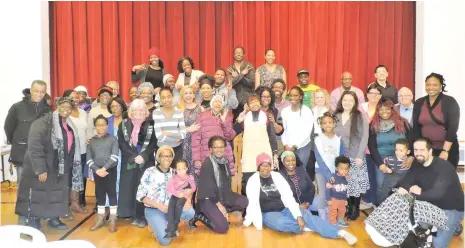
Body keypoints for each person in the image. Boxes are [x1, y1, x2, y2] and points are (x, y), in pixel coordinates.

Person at [244, 153, 357, 245]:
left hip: (285, 208)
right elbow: (252, 203)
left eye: (268, 165)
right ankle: (305, 227)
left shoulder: (277, 177)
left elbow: (288, 197)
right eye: (262, 165)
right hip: (268, 213)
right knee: (281, 223)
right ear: (258, 166)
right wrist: (246, 222)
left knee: (308, 216)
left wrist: (298, 216)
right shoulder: (252, 181)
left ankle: (340, 232)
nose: (265, 168)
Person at [15, 97, 83, 231]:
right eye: (63, 107)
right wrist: (40, 169)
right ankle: (34, 219)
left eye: (69, 108)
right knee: (37, 194)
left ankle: (54, 218)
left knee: (55, 194)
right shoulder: (42, 123)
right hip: (42, 167)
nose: (66, 110)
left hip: (59, 166)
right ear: (57, 107)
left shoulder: (69, 125)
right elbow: (35, 147)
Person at [397, 138, 464, 248]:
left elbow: (437, 194)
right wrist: (408, 188)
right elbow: (404, 182)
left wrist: (417, 192)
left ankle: (455, 225)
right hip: (430, 204)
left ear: (430, 151)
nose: (418, 153)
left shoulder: (444, 167)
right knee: (415, 227)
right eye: (416, 150)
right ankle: (453, 227)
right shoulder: (417, 165)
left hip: (452, 208)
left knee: (437, 244)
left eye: (422, 150)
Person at [136, 146, 195, 246]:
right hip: (153, 209)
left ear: (172, 158)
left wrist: (188, 200)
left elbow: (188, 187)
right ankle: (156, 224)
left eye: (169, 156)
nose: (166, 158)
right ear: (158, 157)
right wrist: (160, 206)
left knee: (189, 212)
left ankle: (168, 223)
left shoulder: (175, 172)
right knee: (165, 241)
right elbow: (140, 196)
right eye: (163, 156)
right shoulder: (149, 172)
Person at [190, 136, 248, 234]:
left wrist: (227, 201)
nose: (219, 150)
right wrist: (220, 206)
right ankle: (199, 215)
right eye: (216, 147)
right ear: (210, 149)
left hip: (223, 195)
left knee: (244, 202)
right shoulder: (208, 163)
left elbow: (226, 185)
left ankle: (219, 213)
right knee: (222, 228)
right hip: (208, 199)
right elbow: (208, 189)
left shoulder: (225, 161)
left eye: (221, 147)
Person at [4, 80, 51, 190]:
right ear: (30, 90)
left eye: (42, 92)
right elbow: (8, 128)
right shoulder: (17, 107)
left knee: (40, 189)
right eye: (36, 91)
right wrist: (18, 142)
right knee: (23, 188)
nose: (39, 94)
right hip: (22, 154)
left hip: (41, 156)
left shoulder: (48, 110)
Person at [118, 99, 157, 227]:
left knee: (144, 189)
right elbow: (123, 144)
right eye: (135, 110)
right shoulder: (123, 125)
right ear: (131, 112)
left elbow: (153, 144)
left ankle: (144, 216)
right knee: (131, 188)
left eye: (141, 110)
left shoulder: (151, 124)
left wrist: (143, 156)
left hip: (146, 162)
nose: (138, 112)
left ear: (146, 111)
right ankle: (134, 215)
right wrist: (134, 156)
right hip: (130, 161)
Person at [368, 98, 412, 206]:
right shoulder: (373, 125)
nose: (384, 112)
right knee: (381, 185)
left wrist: (411, 157)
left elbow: (412, 141)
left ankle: (398, 209)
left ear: (392, 109)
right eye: (381, 110)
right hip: (382, 160)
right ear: (377, 111)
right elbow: (372, 147)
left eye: (387, 109)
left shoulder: (403, 123)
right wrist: (380, 164)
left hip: (402, 159)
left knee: (400, 186)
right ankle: (381, 209)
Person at [411, 73, 460, 168]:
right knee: (426, 179)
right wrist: (419, 150)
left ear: (441, 86)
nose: (431, 87)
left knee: (445, 179)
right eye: (428, 85)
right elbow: (416, 128)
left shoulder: (450, 102)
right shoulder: (419, 102)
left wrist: (445, 151)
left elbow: (453, 128)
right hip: (426, 150)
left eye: (435, 85)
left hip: (446, 149)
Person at [334, 91, 369, 221]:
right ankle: (347, 208)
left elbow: (365, 136)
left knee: (355, 184)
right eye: (345, 100)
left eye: (350, 100)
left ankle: (355, 209)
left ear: (355, 103)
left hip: (355, 156)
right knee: (345, 183)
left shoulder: (359, 116)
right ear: (341, 101)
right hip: (340, 156)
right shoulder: (336, 115)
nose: (347, 103)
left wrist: (360, 155)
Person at [236, 95, 278, 196]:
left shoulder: (267, 115)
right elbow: (234, 132)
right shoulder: (244, 116)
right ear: (248, 105)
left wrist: (275, 154)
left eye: (256, 102)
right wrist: (238, 121)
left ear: (260, 103)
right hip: (249, 153)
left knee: (265, 180)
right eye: (252, 102)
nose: (254, 104)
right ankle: (248, 206)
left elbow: (272, 136)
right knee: (248, 180)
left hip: (264, 152)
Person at [192, 95, 236, 184]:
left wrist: (224, 121)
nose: (218, 104)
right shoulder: (202, 116)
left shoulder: (226, 116)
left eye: (220, 102)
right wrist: (197, 158)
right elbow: (196, 138)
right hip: (206, 154)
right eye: (216, 101)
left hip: (223, 155)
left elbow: (230, 136)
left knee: (223, 184)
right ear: (212, 104)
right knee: (208, 183)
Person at [86, 115, 119, 232]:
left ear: (107, 125)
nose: (101, 127)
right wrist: (97, 170)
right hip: (97, 171)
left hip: (109, 170)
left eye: (103, 124)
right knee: (100, 194)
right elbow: (88, 159)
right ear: (95, 126)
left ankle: (113, 219)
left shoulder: (113, 139)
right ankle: (100, 218)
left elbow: (115, 156)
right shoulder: (91, 141)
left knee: (112, 193)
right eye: (98, 125)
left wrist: (104, 168)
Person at [313, 112, 344, 220]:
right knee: (322, 193)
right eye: (324, 123)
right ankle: (322, 214)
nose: (328, 125)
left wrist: (337, 173)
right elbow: (319, 159)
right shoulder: (317, 140)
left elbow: (341, 157)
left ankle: (330, 212)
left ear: (334, 123)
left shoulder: (339, 140)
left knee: (332, 194)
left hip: (334, 172)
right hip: (321, 171)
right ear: (321, 125)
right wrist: (328, 175)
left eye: (330, 122)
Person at [64, 89, 89, 208]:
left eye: (77, 97)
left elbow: (87, 129)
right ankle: (66, 202)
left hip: (83, 150)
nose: (75, 99)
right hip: (70, 152)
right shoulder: (63, 113)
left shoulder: (83, 113)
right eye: (72, 98)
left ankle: (78, 201)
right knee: (69, 177)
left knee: (81, 176)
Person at [281, 86, 314, 167]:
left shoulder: (307, 111)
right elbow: (283, 130)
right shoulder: (285, 111)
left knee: (301, 171)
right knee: (289, 171)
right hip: (288, 146)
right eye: (291, 95)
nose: (292, 98)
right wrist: (285, 144)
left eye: (295, 95)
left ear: (301, 96)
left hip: (303, 146)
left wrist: (295, 146)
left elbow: (308, 132)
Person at [153, 87, 186, 167]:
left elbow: (183, 134)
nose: (166, 100)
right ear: (160, 99)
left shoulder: (179, 112)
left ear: (172, 96)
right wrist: (176, 138)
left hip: (177, 149)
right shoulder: (156, 112)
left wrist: (168, 133)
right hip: (162, 149)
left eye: (168, 96)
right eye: (163, 98)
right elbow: (159, 136)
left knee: (176, 175)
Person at [105, 97, 127, 208]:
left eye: (117, 106)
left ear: (122, 106)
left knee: (122, 180)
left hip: (125, 155)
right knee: (111, 181)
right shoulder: (106, 121)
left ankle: (120, 206)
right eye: (112, 106)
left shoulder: (128, 120)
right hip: (111, 156)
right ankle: (109, 205)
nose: (115, 108)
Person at [165, 159, 196, 238]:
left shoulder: (190, 177)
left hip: (184, 196)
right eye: (178, 169)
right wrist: (178, 194)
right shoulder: (174, 178)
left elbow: (194, 187)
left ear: (186, 169)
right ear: (175, 170)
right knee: (171, 207)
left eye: (183, 169)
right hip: (176, 195)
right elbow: (169, 188)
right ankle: (170, 229)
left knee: (178, 205)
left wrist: (189, 190)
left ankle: (175, 224)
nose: (181, 171)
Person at [377, 138, 411, 204]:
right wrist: (386, 169)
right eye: (396, 150)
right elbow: (382, 166)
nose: (398, 152)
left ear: (408, 152)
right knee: (384, 201)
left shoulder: (409, 162)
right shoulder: (389, 159)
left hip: (402, 188)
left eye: (401, 150)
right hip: (388, 187)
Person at [227, 46, 255, 120]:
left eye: (240, 53)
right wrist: (242, 74)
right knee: (236, 125)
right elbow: (231, 83)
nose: (238, 54)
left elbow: (251, 83)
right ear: (233, 55)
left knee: (248, 123)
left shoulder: (249, 67)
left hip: (248, 100)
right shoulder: (230, 69)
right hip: (235, 101)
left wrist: (237, 77)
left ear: (244, 54)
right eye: (236, 53)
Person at [325, 156, 350, 227]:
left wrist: (345, 199)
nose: (344, 171)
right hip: (334, 198)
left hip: (342, 199)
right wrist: (329, 199)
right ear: (336, 168)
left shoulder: (346, 179)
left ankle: (340, 220)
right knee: (333, 211)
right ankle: (332, 223)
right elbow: (327, 188)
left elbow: (345, 190)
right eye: (342, 169)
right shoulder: (333, 178)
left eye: (346, 169)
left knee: (342, 210)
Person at [271, 79, 291, 153]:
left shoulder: (289, 105)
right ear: (272, 89)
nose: (277, 89)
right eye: (275, 87)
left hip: (284, 141)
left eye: (280, 87)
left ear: (283, 90)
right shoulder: (266, 103)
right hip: (268, 140)